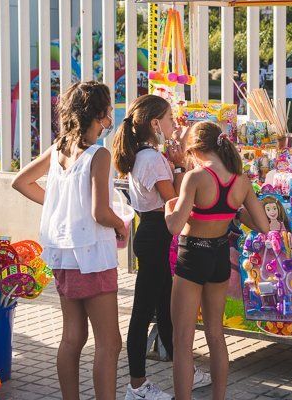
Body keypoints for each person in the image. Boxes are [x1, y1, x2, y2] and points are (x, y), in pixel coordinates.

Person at [12, 82, 126, 400]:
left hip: (62, 253)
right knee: (109, 342)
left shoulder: (59, 148)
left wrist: (60, 204)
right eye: (108, 111)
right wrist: (121, 225)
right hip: (92, 255)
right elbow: (101, 212)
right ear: (101, 114)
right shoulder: (98, 155)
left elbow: (20, 181)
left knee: (72, 337)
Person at [112, 94, 211, 399]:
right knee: (144, 310)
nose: (173, 124)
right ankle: (138, 385)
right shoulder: (152, 158)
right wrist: (181, 165)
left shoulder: (147, 155)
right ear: (155, 123)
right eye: (169, 118)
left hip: (154, 232)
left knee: (166, 308)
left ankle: (186, 372)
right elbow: (175, 199)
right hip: (156, 233)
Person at [165, 122, 270, 400]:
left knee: (183, 340)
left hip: (193, 254)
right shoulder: (241, 180)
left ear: (195, 148)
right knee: (216, 334)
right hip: (220, 255)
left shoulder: (196, 177)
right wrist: (232, 211)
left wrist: (168, 210)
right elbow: (263, 225)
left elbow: (175, 226)